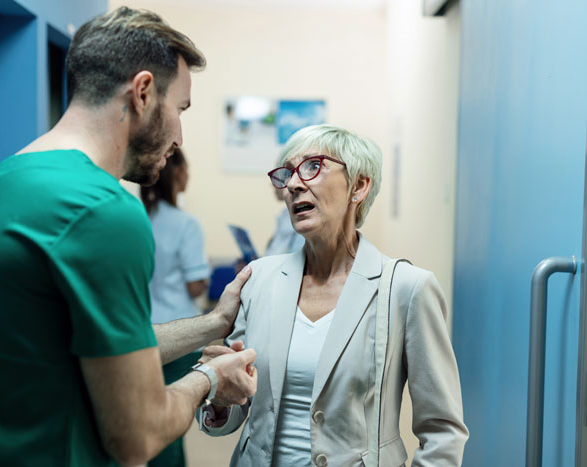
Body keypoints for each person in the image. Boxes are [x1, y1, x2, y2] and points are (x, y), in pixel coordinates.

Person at [0, 7, 257, 467]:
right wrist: (209, 377)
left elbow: (88, 346)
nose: (179, 136)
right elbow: (138, 436)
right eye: (180, 109)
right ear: (143, 92)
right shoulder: (100, 210)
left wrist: (212, 324)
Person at [198, 124, 468, 466]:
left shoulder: (406, 288)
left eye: (313, 166)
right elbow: (236, 407)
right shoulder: (259, 279)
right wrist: (221, 400)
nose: (294, 184)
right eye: (287, 173)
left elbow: (443, 430)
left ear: (358, 185)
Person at [140, 147, 210, 467]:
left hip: (144, 332)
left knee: (146, 419)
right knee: (171, 424)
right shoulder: (185, 224)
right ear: (175, 173)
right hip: (180, 335)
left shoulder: (135, 218)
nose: (189, 175)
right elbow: (196, 285)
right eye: (186, 169)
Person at [264, 185, 305, 256]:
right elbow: (273, 249)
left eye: (277, 182)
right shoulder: (284, 214)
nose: (273, 186)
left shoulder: (301, 216)